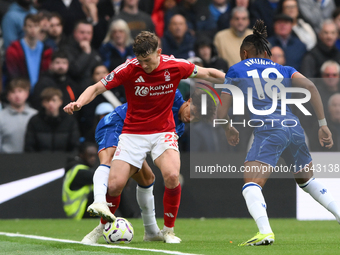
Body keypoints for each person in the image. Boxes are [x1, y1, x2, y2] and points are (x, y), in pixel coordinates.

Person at [64, 31, 225, 243]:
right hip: (132, 132)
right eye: (141, 61)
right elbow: (96, 87)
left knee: (171, 176)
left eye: (148, 60)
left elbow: (209, 73)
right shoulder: (130, 68)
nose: (145, 66)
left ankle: (168, 231)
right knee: (114, 186)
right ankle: (100, 228)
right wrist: (79, 102)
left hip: (162, 132)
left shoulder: (175, 66)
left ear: (158, 52)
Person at [217, 20, 340, 246]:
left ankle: (265, 232)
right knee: (307, 180)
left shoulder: (237, 69)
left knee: (251, 184)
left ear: (244, 52)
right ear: (267, 53)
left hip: (268, 130)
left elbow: (220, 111)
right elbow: (311, 87)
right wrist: (323, 124)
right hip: (294, 129)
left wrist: (228, 127)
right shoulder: (284, 69)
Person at [81, 88, 208, 244]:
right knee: (110, 162)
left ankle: (151, 231)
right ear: (189, 101)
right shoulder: (171, 94)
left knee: (147, 179)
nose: (191, 118)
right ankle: (99, 204)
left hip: (135, 137)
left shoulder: (178, 127)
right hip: (118, 123)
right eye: (194, 112)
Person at [5, 13, 53, 93]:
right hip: (20, 92)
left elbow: (47, 74)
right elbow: (13, 75)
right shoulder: (14, 49)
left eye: (36, 26)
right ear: (24, 27)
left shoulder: (47, 50)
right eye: (30, 26)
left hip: (41, 93)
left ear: (40, 28)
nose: (33, 30)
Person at [25, 87, 80, 152]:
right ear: (43, 103)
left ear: (60, 102)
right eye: (47, 101)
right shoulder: (35, 121)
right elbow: (29, 146)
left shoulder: (69, 121)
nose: (50, 104)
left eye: (54, 100)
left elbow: (75, 146)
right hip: (39, 160)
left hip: (65, 160)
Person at [62, 142, 98, 220]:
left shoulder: (75, 168)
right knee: (110, 187)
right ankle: (129, 215)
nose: (93, 158)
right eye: (90, 155)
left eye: (94, 155)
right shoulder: (79, 171)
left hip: (80, 211)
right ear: (81, 155)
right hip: (79, 213)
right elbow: (101, 176)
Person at [0, 78, 37, 153]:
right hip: (6, 161)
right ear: (8, 96)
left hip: (32, 161)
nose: (17, 95)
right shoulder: (1, 117)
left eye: (20, 91)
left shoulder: (35, 115)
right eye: (13, 92)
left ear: (26, 94)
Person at [62, 20, 102, 90]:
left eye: (89, 33)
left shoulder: (93, 51)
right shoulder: (65, 49)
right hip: (73, 91)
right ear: (74, 32)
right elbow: (74, 71)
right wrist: (86, 53)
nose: (85, 36)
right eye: (82, 32)